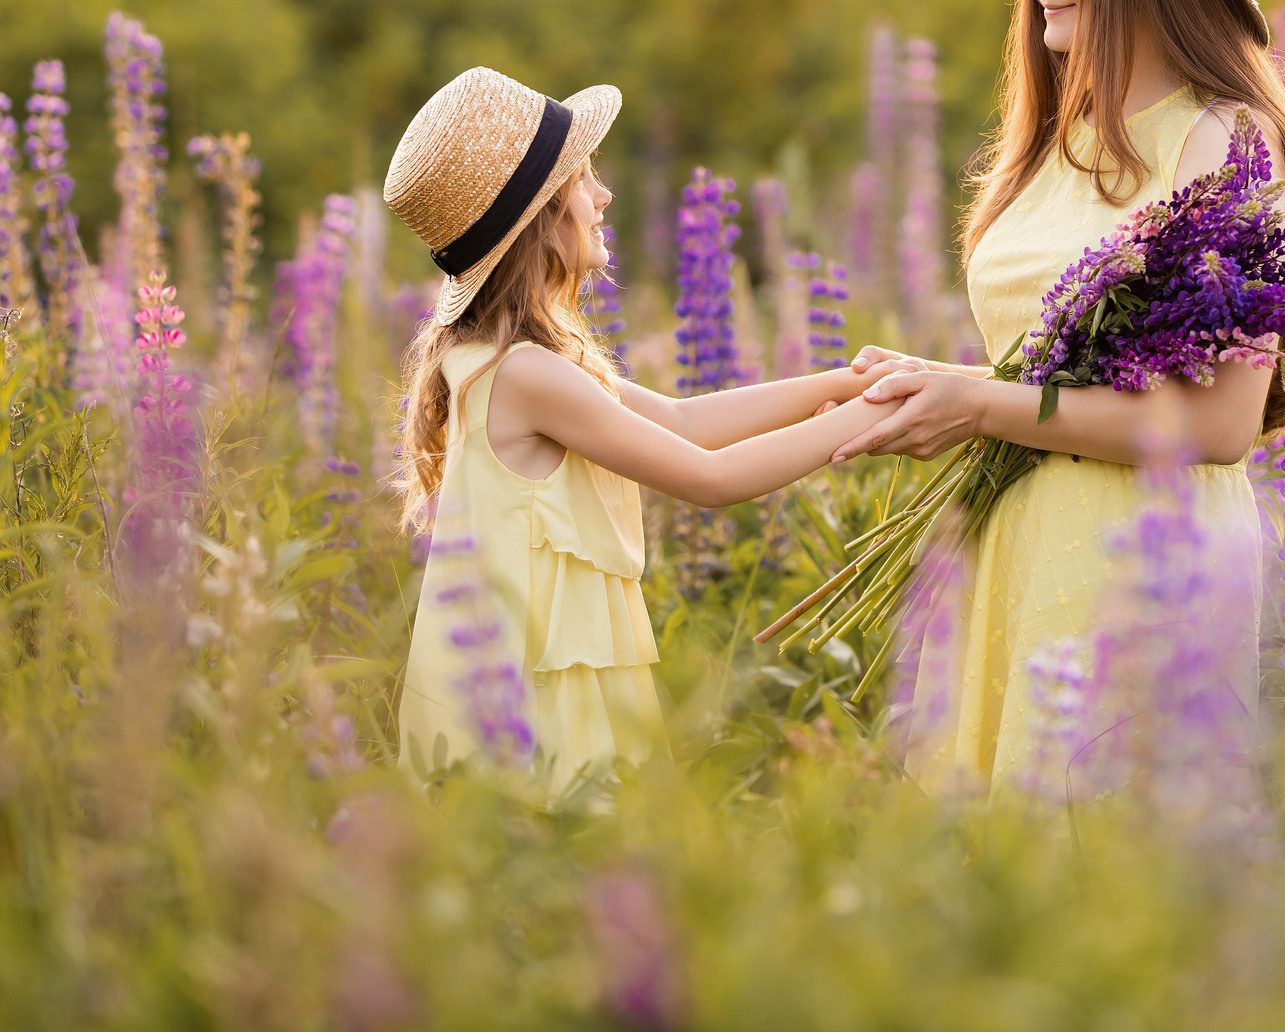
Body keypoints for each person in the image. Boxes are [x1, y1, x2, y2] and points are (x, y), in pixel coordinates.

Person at [832, 0, 1285, 793]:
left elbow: (1221, 424)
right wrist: (947, 384)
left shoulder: (1225, 144)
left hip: (1146, 562)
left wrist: (978, 404)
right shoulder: (1052, 143)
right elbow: (1043, 358)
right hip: (1021, 543)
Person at [385, 68, 912, 792]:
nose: (602, 196)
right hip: (534, 704)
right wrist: (884, 414)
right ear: (540, 218)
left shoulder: (499, 360)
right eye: (583, 179)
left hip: (538, 678)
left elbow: (685, 419)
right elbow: (708, 477)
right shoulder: (523, 376)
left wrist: (855, 383)